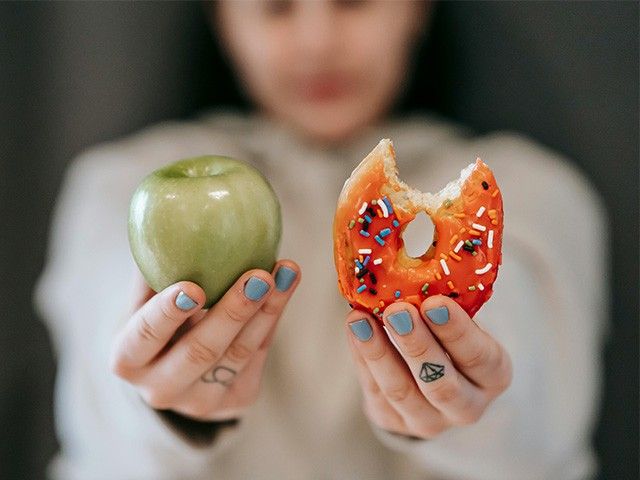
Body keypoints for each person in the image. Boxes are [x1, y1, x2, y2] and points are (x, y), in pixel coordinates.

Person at [34, 1, 608, 479]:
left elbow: (539, 402)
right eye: (275, 6)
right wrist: (158, 403)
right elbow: (97, 402)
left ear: (417, 9)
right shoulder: (114, 184)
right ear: (222, 18)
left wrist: (475, 402)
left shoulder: (537, 188)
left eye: (353, 0)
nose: (317, 41)